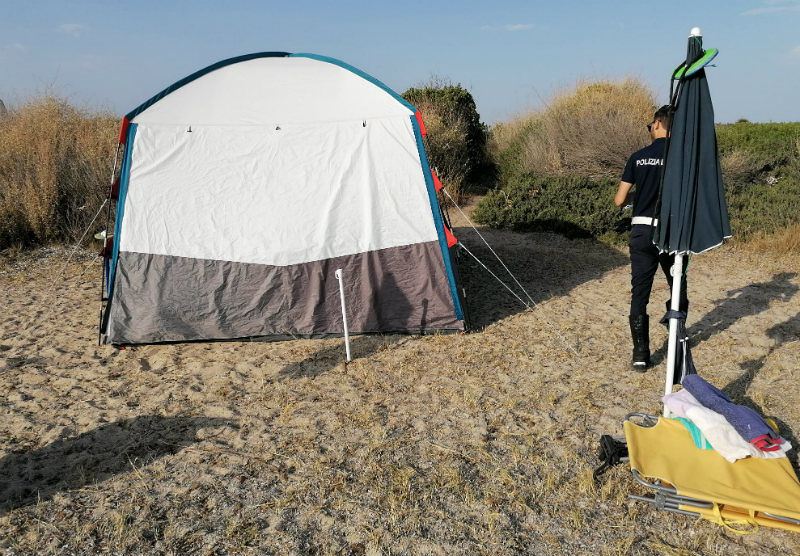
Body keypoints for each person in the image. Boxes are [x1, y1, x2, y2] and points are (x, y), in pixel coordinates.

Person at [614, 105, 688, 371]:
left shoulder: (638, 157)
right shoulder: (682, 157)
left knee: (640, 292)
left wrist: (640, 195)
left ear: (657, 124)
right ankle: (676, 343)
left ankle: (640, 354)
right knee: (677, 287)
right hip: (672, 233)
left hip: (642, 231)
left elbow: (619, 200)